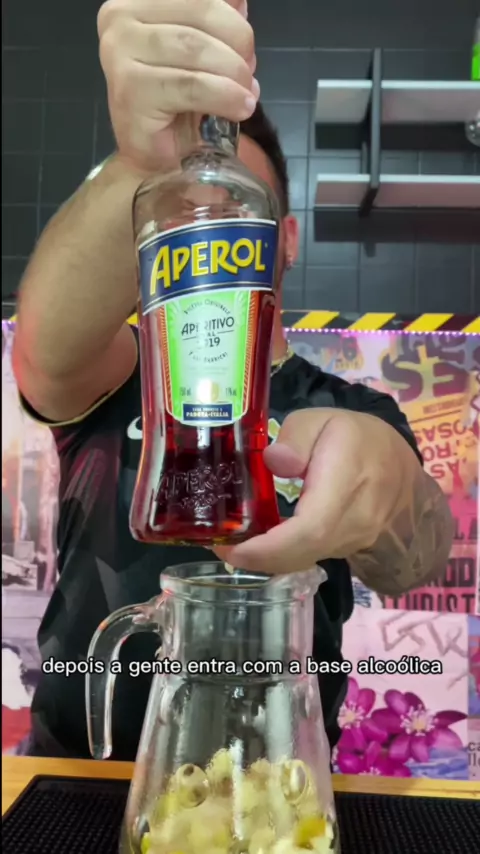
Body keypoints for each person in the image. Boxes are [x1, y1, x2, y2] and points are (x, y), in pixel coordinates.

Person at [12, 0, 453, 760]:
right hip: (78, 778)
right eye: (181, 216)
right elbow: (46, 354)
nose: (204, 228)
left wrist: (387, 481)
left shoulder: (354, 407)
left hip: (278, 784)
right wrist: (145, 165)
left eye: (229, 211)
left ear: (283, 239)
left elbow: (418, 557)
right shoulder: (122, 370)